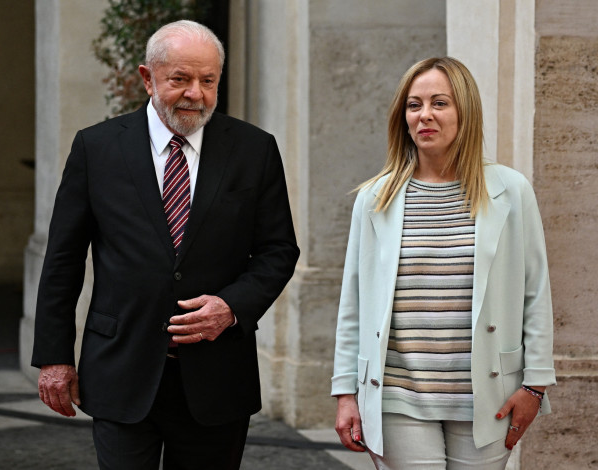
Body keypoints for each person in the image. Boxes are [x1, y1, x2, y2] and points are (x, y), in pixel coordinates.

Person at [32, 20, 299, 469]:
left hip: (217, 375)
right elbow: (63, 259)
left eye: (208, 81)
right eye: (180, 79)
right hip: (121, 368)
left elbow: (279, 250)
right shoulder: (97, 148)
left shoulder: (254, 150)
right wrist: (54, 357)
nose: (196, 93)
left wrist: (231, 307)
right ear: (147, 78)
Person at [331, 57, 556, 469]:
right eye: (414, 105)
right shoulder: (375, 199)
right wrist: (346, 391)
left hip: (489, 396)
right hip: (397, 394)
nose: (425, 115)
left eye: (440, 103)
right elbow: (354, 302)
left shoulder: (511, 191)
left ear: (465, 112)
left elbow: (535, 292)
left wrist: (535, 387)